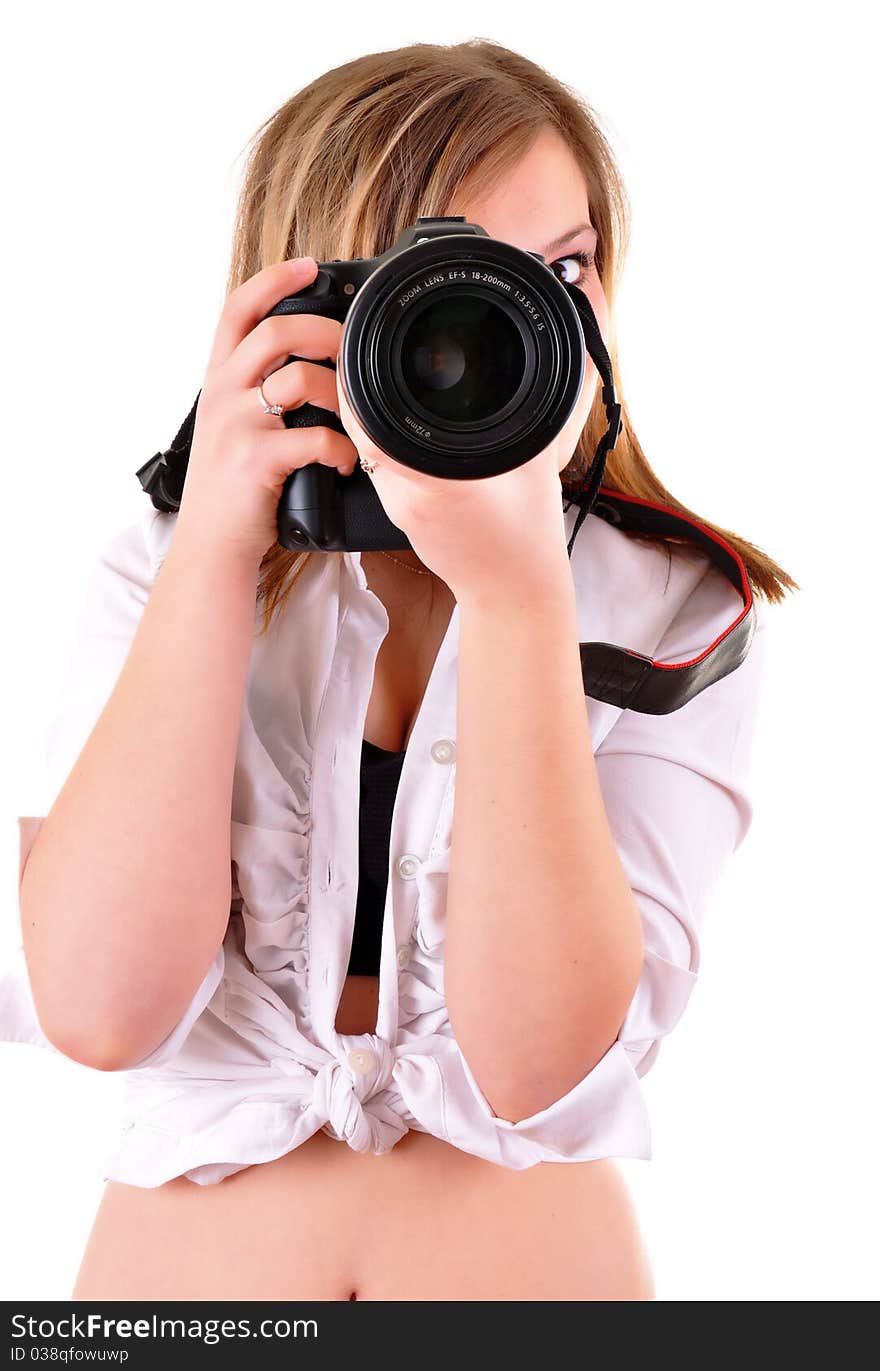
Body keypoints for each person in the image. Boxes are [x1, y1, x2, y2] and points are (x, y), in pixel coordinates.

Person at [0, 39, 797, 1301]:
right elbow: (100, 1010)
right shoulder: (159, 571)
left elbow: (537, 1065)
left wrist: (521, 594)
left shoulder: (673, 607)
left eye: (566, 268)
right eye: (462, 283)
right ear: (321, 293)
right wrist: (216, 540)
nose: (528, 324)